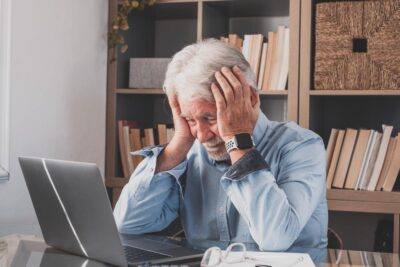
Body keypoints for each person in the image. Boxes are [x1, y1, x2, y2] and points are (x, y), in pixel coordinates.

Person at [114, 39, 328, 251]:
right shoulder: (191, 153)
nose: (201, 135)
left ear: (250, 99)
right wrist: (179, 142)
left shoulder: (301, 147)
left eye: (210, 117)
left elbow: (275, 238)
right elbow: (127, 225)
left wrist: (237, 138)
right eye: (190, 119)